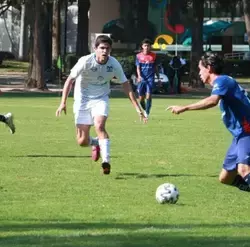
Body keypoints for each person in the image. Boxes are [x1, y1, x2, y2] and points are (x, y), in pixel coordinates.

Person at [56, 35, 147, 175]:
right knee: (82, 141)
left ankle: (106, 161)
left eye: (108, 48)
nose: (105, 51)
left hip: (101, 99)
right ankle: (96, 143)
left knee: (99, 126)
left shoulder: (114, 64)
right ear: (95, 49)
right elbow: (70, 80)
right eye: (102, 48)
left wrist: (137, 108)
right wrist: (63, 102)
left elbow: (126, 85)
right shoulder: (85, 61)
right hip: (82, 100)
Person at [167, 52, 250, 192]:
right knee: (225, 178)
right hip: (238, 136)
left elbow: (212, 101)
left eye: (201, 69)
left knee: (243, 169)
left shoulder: (222, 81)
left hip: (247, 131)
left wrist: (185, 107)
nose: (199, 73)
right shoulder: (225, 82)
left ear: (209, 68)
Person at [136, 38, 160, 118]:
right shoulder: (138, 56)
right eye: (145, 45)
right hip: (142, 79)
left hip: (150, 79)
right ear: (142, 46)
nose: (146, 47)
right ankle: (145, 109)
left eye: (148, 46)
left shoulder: (154, 55)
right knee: (141, 99)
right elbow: (138, 68)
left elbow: (156, 68)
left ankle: (147, 112)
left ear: (150, 47)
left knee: (148, 96)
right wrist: (139, 76)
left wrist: (158, 78)